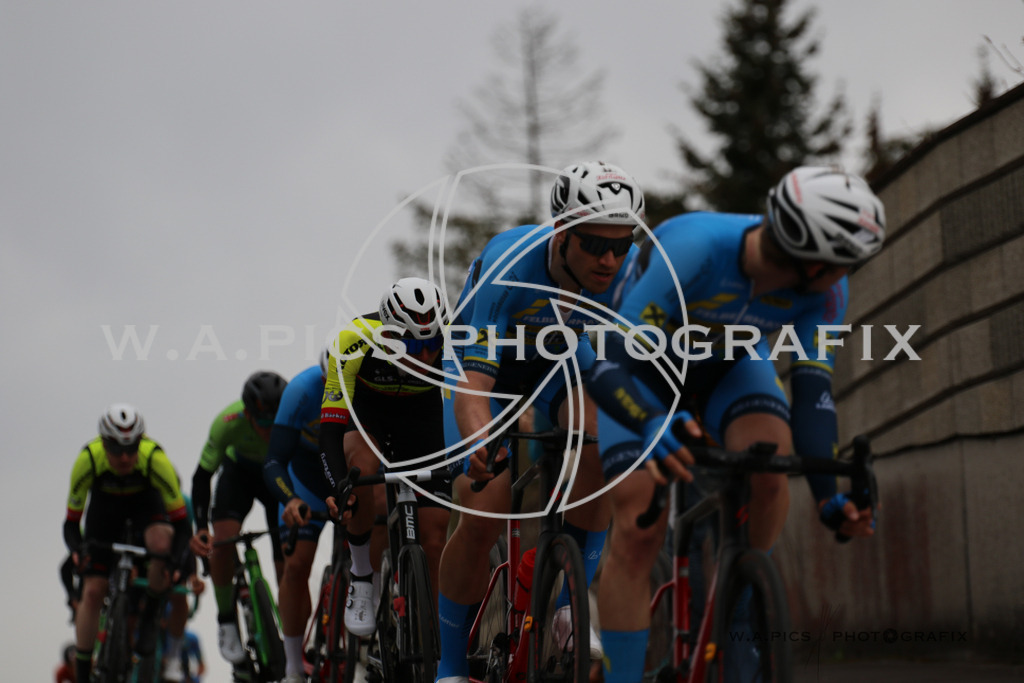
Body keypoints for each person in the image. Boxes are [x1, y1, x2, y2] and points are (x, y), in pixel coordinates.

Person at [584, 166, 884, 682]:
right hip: (644, 373)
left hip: (731, 368)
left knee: (770, 471)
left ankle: (741, 606)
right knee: (638, 531)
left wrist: (828, 498)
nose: (846, 275)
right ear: (808, 256)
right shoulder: (695, 248)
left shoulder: (828, 293)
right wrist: (649, 422)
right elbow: (612, 363)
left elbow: (813, 390)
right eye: (843, 262)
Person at [435, 161, 645, 683]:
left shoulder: (628, 275)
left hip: (558, 363)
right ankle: (450, 665)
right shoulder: (511, 265)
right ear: (562, 233)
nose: (610, 259)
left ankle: (571, 606)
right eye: (595, 244)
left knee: (601, 440)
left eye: (622, 245)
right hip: (484, 369)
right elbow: (474, 387)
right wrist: (480, 442)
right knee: (484, 510)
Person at [320, 278, 453, 642]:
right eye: (413, 345)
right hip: (369, 413)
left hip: (422, 416)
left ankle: (433, 638)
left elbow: (467, 408)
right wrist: (338, 484)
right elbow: (330, 430)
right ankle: (362, 575)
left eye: (432, 344)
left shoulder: (455, 342)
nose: (425, 356)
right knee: (360, 468)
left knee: (435, 536)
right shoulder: (351, 341)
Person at [63, 404, 191, 683]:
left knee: (161, 544)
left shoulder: (155, 459)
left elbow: (182, 524)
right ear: (103, 443)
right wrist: (77, 551)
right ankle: (83, 672)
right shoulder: (88, 460)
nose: (124, 457)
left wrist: (172, 561)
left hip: (145, 505)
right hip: (104, 512)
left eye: (131, 448)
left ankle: (151, 611)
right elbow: (71, 524)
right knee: (92, 592)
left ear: (140, 442)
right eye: (116, 449)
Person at [188, 371, 287, 670]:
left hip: (277, 472)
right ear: (248, 414)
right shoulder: (227, 423)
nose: (269, 431)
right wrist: (201, 528)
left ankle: (291, 626)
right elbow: (202, 476)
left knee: (287, 556)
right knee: (222, 544)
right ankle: (226, 620)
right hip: (238, 473)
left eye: (275, 423)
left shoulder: (291, 414)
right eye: (263, 423)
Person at [262, 346, 334, 683]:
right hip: (308, 479)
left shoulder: (370, 383)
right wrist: (290, 500)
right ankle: (293, 667)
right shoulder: (302, 390)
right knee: (295, 566)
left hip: (351, 472)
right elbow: (274, 460)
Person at [162, 491, 206, 683]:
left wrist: (193, 576)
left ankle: (173, 657)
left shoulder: (192, 639)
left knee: (179, 598)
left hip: (173, 563)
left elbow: (187, 542)